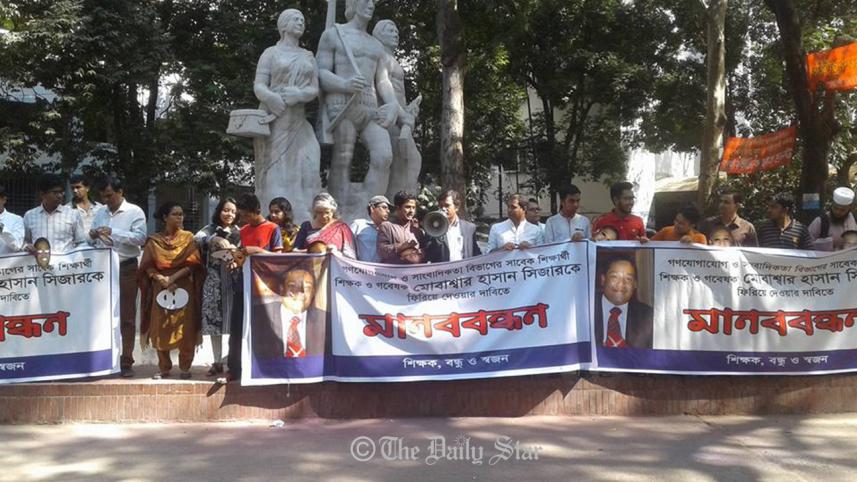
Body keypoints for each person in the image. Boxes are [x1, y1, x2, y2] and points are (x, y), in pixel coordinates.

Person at [316, 0, 399, 209]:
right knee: (343, 158)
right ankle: (338, 211)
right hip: (342, 104)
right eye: (366, 0)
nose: (370, 5)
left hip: (370, 106)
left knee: (384, 156)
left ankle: (372, 210)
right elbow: (320, 72)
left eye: (373, 2)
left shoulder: (376, 44)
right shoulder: (334, 34)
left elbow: (382, 80)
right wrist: (344, 84)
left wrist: (392, 104)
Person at [253, 8, 321, 218]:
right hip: (276, 119)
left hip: (299, 121)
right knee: (276, 168)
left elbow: (314, 89)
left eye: (302, 19)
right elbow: (259, 85)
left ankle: (304, 215)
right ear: (283, 25)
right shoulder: (270, 53)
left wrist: (299, 94)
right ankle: (275, 215)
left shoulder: (308, 56)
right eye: (295, 19)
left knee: (310, 162)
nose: (300, 22)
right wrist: (272, 98)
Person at [138, 202, 205, 380]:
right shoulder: (154, 241)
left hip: (184, 286)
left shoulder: (188, 238)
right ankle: (164, 368)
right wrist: (160, 279)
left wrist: (172, 279)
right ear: (165, 218)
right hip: (160, 287)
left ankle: (184, 367)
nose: (180, 217)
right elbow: (147, 266)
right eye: (175, 214)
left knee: (186, 327)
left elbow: (193, 265)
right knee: (160, 326)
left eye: (181, 214)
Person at [89, 176, 148, 377]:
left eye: (110, 195)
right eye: (103, 197)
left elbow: (140, 238)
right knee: (102, 316)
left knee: (127, 317)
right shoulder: (100, 213)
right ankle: (105, 359)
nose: (107, 200)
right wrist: (93, 236)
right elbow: (92, 241)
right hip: (103, 268)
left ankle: (126, 361)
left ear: (120, 191)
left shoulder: (135, 211)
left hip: (126, 268)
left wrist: (114, 232)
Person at [225, 193, 284, 382]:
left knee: (265, 328)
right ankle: (234, 369)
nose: (241, 218)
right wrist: (235, 261)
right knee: (236, 327)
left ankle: (268, 368)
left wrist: (257, 251)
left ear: (256, 211)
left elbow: (279, 259)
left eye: (244, 214)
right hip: (243, 284)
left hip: (265, 288)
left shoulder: (273, 229)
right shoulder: (243, 230)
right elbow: (242, 257)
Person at [194, 198, 241, 377]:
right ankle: (217, 361)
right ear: (219, 211)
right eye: (226, 210)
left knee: (234, 322)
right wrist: (215, 239)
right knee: (215, 323)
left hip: (234, 282)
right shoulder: (209, 230)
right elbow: (196, 240)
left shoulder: (240, 232)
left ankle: (232, 360)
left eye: (233, 212)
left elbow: (242, 253)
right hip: (213, 282)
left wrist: (231, 254)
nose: (229, 214)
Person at [251, 267, 325, 360]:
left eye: (307, 288)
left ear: (313, 292)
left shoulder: (325, 320)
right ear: (282, 289)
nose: (299, 292)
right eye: (292, 286)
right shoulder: (260, 316)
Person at [594, 257, 653, 349]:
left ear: (635, 284)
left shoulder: (649, 316)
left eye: (628, 279)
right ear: (603, 280)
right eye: (614, 277)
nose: (621, 284)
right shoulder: (584, 310)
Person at [23, 173, 87, 253]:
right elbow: (24, 242)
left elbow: (81, 242)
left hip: (65, 264)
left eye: (61, 192)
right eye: (55, 192)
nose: (60, 196)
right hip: (38, 263)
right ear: (42, 194)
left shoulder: (73, 215)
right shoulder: (29, 216)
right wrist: (27, 247)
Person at [424, 189, 481, 263]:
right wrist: (437, 233)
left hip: (464, 272)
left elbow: (475, 253)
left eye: (447, 205)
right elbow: (429, 255)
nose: (443, 209)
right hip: (443, 272)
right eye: (441, 206)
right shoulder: (432, 229)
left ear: (456, 207)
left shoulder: (469, 228)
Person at [294, 192, 356, 258]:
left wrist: (336, 252)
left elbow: (351, 254)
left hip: (336, 265)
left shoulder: (341, 228)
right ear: (315, 212)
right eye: (320, 212)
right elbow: (295, 250)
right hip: (310, 265)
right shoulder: (306, 226)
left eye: (327, 212)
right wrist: (317, 250)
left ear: (333, 211)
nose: (324, 216)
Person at [377, 190, 425, 264]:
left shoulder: (417, 231)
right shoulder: (386, 226)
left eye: (413, 207)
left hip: (413, 273)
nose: (411, 211)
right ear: (398, 208)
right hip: (393, 273)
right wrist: (403, 246)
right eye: (408, 207)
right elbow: (382, 251)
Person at [808, 187, 857, 251]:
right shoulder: (820, 221)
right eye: (835, 208)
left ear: (849, 209)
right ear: (832, 205)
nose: (838, 212)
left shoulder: (853, 222)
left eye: (842, 210)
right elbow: (807, 244)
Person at [349, 195, 390, 262]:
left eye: (388, 209)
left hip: (380, 271)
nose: (388, 211)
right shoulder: (359, 225)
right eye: (384, 207)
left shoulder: (388, 230)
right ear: (372, 208)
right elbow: (346, 245)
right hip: (357, 269)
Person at [0, 184, 24, 255]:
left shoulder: (16, 219)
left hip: (6, 264)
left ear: (4, 199)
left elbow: (17, 246)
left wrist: (1, 228)